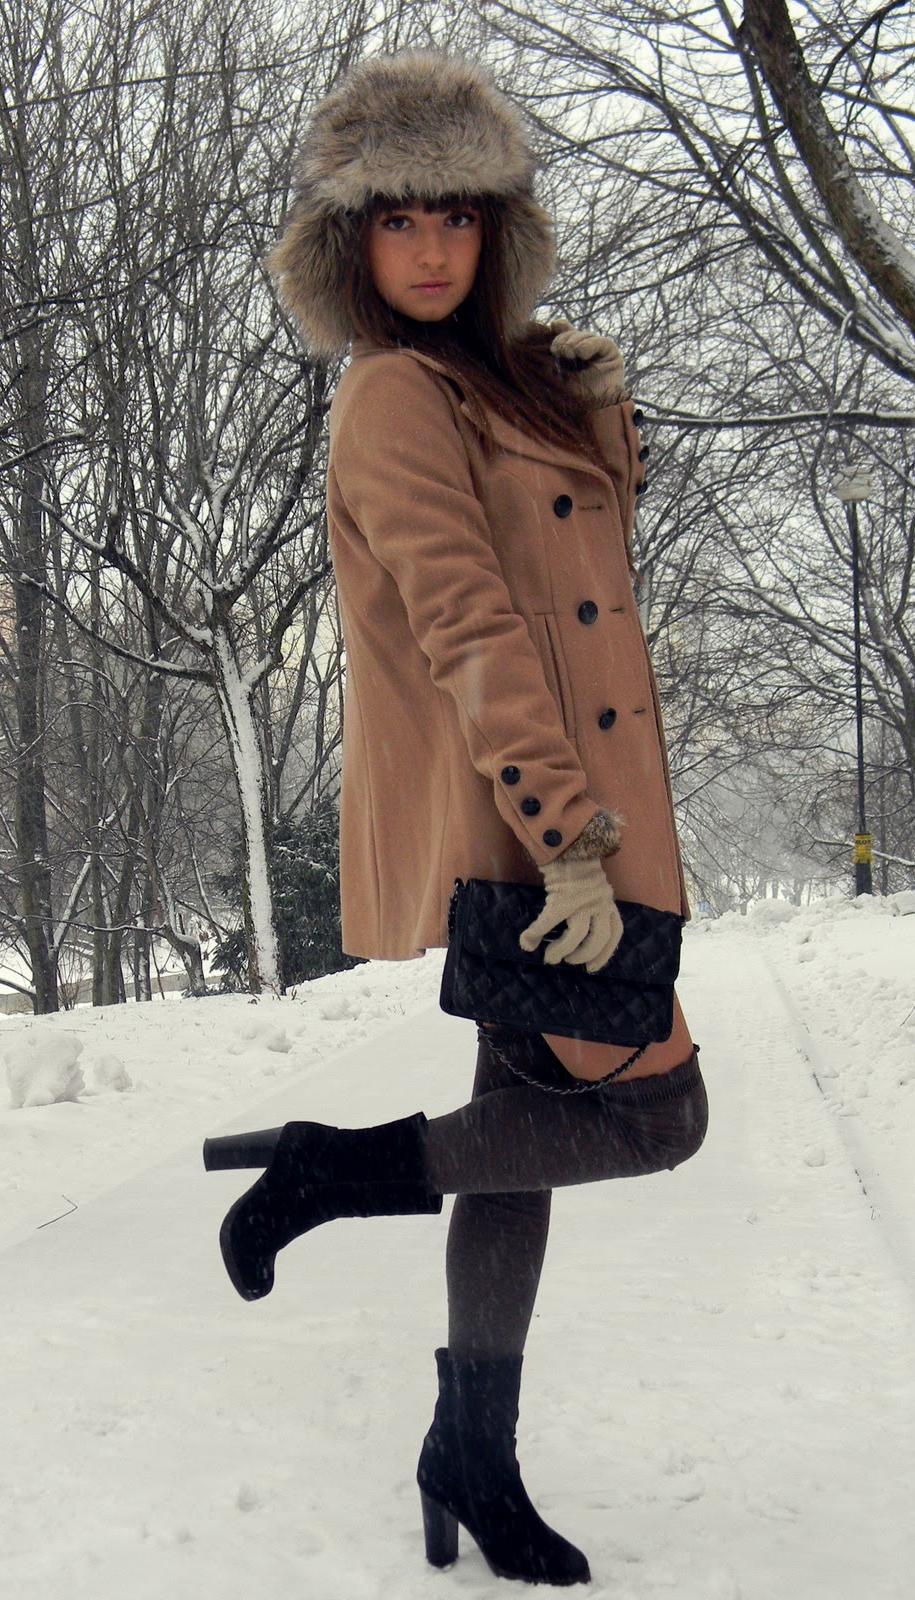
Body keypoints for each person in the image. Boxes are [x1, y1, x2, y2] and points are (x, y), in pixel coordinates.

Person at [203, 46, 709, 1588]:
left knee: (525, 1144)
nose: (429, 249)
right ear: (349, 242)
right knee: (657, 1112)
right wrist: (565, 835)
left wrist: (601, 413)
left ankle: (469, 1456)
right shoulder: (389, 395)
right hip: (538, 837)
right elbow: (468, 620)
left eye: (459, 218)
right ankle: (327, 1168)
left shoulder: (497, 379)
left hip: (581, 823)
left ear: (498, 234)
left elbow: (585, 568)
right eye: (397, 219)